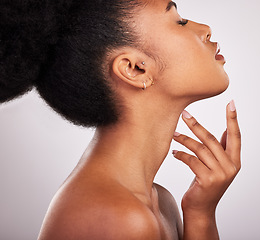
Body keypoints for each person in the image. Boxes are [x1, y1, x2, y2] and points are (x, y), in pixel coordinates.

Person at [0, 0, 241, 239]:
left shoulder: (159, 202)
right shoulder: (119, 217)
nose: (206, 29)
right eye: (180, 22)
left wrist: (201, 214)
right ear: (134, 69)